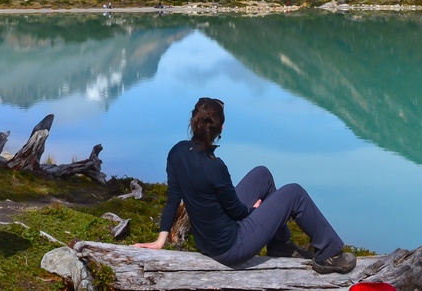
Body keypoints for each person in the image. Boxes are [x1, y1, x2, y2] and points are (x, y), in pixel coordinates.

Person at [135, 97, 356, 274]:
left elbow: (173, 197)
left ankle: (280, 246)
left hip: (207, 240)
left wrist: (160, 240)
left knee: (263, 175)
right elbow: (236, 212)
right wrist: (255, 211)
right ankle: (329, 254)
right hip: (231, 247)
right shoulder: (215, 167)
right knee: (294, 193)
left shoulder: (177, 152)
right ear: (220, 128)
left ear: (193, 122)